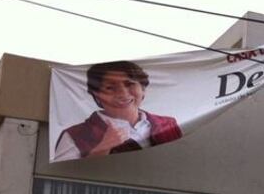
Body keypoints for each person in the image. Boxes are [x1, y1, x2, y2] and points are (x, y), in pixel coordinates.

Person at [54, 60, 182, 160]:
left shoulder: (168, 124)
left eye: (129, 84)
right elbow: (60, 175)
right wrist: (102, 148)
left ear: (143, 89)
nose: (122, 94)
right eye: (110, 88)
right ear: (96, 95)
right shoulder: (76, 135)